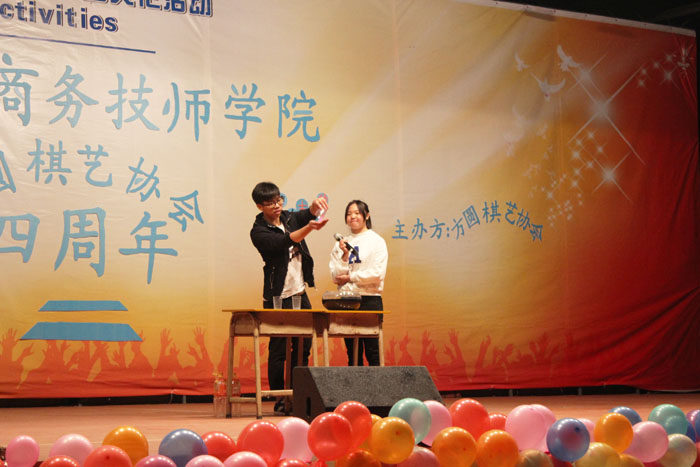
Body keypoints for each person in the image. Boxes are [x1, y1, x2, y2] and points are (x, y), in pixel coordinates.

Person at [249, 182, 329, 413]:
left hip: (299, 292)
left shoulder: (288, 218)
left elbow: (305, 215)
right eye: (270, 203)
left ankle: (297, 394)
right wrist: (310, 228)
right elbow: (284, 241)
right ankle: (279, 397)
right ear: (259, 206)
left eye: (279, 200)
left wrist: (314, 208)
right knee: (279, 348)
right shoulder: (258, 232)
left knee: (303, 345)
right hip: (278, 295)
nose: (277, 205)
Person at [329, 200, 388, 366]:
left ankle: (377, 383)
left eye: (357, 213)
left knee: (373, 350)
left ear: (366, 215)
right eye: (349, 214)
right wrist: (344, 256)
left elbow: (377, 274)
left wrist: (351, 277)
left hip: (370, 299)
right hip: (347, 300)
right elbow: (335, 276)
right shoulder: (341, 243)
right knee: (353, 352)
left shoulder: (376, 241)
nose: (352, 217)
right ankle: (355, 383)